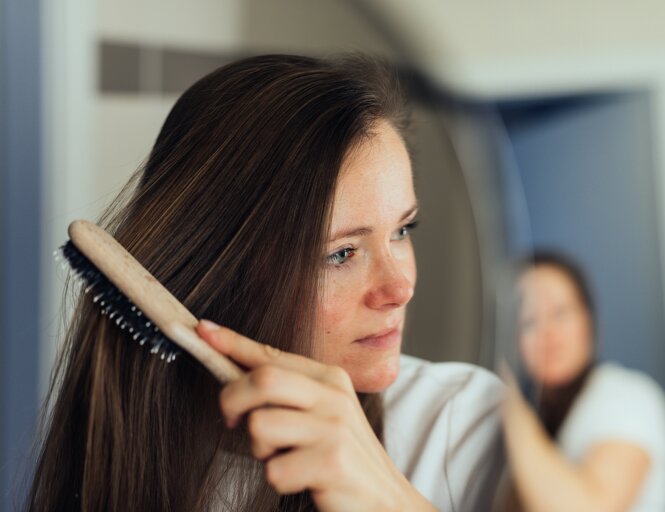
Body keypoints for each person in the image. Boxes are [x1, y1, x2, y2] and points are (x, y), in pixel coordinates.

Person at [25, 54, 503, 511]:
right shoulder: (120, 446)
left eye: (402, 230)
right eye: (341, 254)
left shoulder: (466, 425)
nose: (400, 288)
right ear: (222, 267)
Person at [499, 251, 665, 512]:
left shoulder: (628, 397)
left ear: (589, 320)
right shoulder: (537, 419)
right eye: (528, 322)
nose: (548, 333)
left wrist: (504, 398)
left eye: (560, 313)